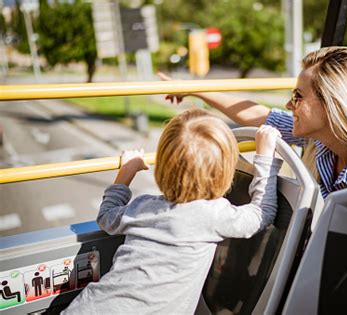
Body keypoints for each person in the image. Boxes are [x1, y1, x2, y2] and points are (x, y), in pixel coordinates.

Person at [161, 46, 347, 239]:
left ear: (334, 106)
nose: (288, 104)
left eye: (298, 96)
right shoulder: (326, 141)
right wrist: (195, 89)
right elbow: (260, 115)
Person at [62, 108, 282, 314]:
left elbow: (105, 216)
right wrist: (264, 157)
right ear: (224, 173)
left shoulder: (142, 207)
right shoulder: (213, 215)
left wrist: (126, 171)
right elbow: (262, 213)